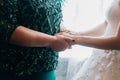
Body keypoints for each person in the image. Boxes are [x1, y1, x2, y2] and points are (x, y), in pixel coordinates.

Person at [0, 0, 73, 80]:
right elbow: (6, 28)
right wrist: (51, 41)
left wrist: (61, 29)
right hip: (18, 71)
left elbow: (48, 14)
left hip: (47, 69)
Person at [58, 0, 120, 80]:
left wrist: (75, 39)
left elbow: (117, 42)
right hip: (100, 58)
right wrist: (77, 34)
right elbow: (107, 23)